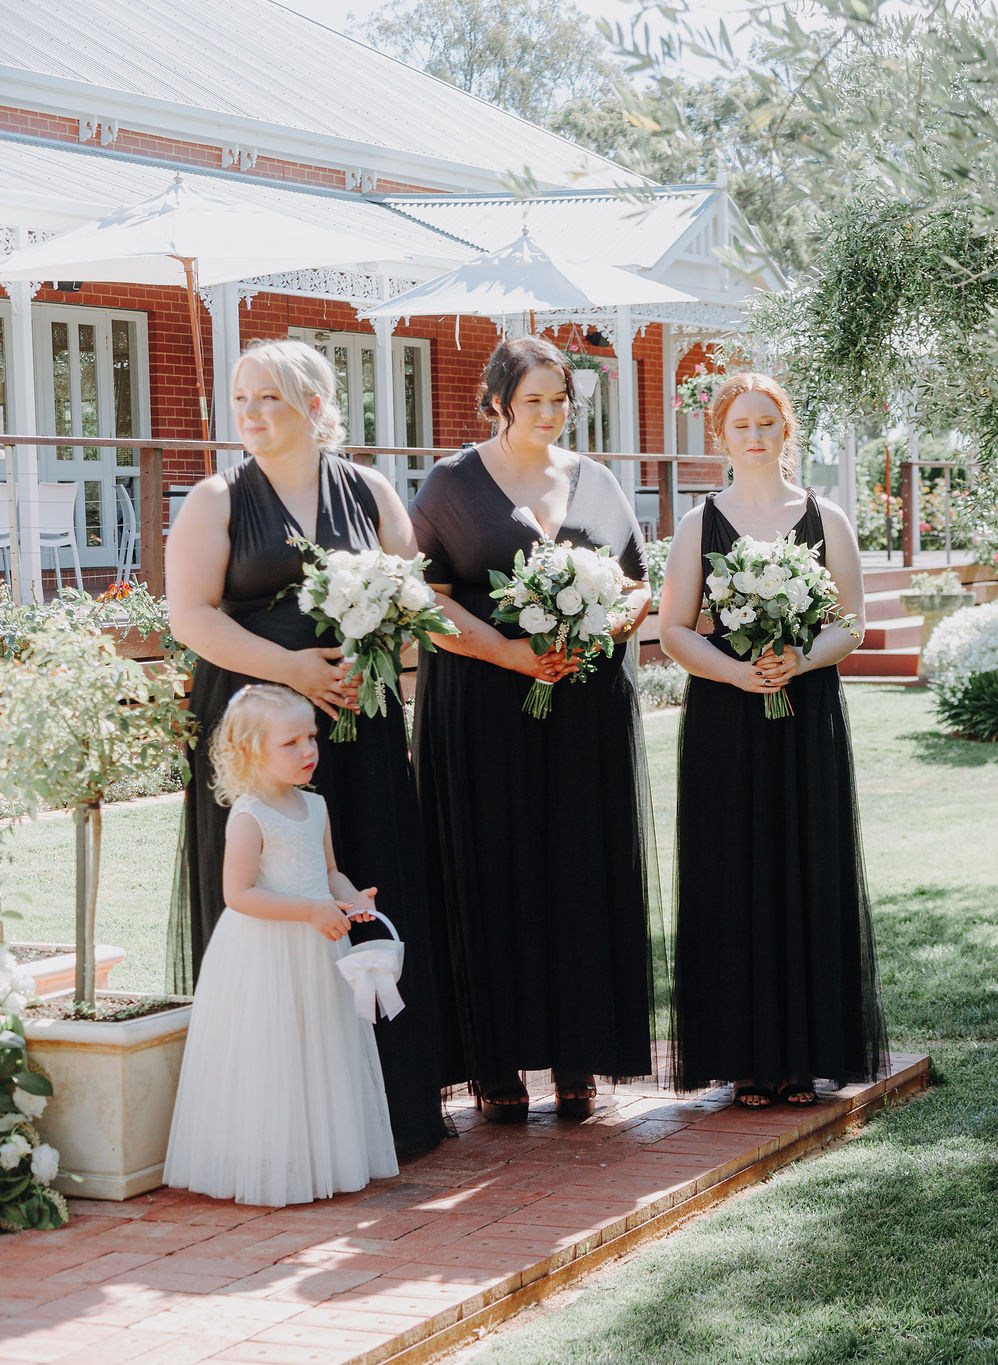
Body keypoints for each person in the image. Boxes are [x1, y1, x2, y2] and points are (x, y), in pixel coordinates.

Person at [165, 339, 454, 1159]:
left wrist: (377, 645)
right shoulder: (216, 498)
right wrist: (292, 667)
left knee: (365, 875)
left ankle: (389, 1106)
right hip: (259, 720)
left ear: (317, 407)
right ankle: (278, 1121)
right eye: (243, 397)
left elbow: (412, 591)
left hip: (359, 723)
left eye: (272, 399)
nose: (251, 414)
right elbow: (192, 615)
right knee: (277, 891)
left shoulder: (367, 489)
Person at [410, 336, 662, 1123]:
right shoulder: (452, 483)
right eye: (534, 401)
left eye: (561, 400)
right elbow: (423, 596)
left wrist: (598, 629)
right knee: (495, 869)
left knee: (580, 867)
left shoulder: (598, 480)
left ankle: (580, 1051)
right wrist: (509, 653)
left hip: (583, 709)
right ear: (497, 403)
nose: (550, 414)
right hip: (482, 708)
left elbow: (635, 585)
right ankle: (495, 1058)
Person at [658, 372, 887, 1108]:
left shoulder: (827, 518)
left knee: (805, 867)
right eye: (740, 424)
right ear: (720, 435)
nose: (754, 435)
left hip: (805, 714)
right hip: (727, 721)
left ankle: (805, 1055)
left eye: (767, 422)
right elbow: (672, 630)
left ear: (788, 429)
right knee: (732, 873)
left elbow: (850, 621)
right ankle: (743, 1058)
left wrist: (801, 657)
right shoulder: (700, 523)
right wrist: (734, 671)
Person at [163, 685, 397, 1205]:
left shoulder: (315, 806)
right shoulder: (249, 815)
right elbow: (238, 893)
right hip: (266, 953)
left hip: (316, 950)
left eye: (311, 736)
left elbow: (329, 872)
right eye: (290, 742)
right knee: (273, 1049)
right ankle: (269, 1162)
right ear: (250, 751)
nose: (309, 750)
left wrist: (350, 897)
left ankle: (319, 1155)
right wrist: (310, 910)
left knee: (316, 1045)